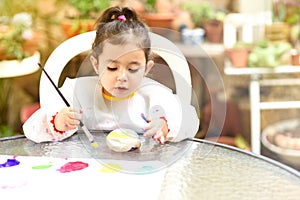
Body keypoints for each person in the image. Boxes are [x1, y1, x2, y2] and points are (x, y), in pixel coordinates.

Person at [23, 6, 199, 144]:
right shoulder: (76, 92)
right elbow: (31, 129)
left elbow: (191, 121)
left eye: (132, 69)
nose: (122, 77)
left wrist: (166, 126)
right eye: (112, 68)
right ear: (96, 64)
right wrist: (58, 122)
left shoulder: (155, 95)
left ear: (147, 68)